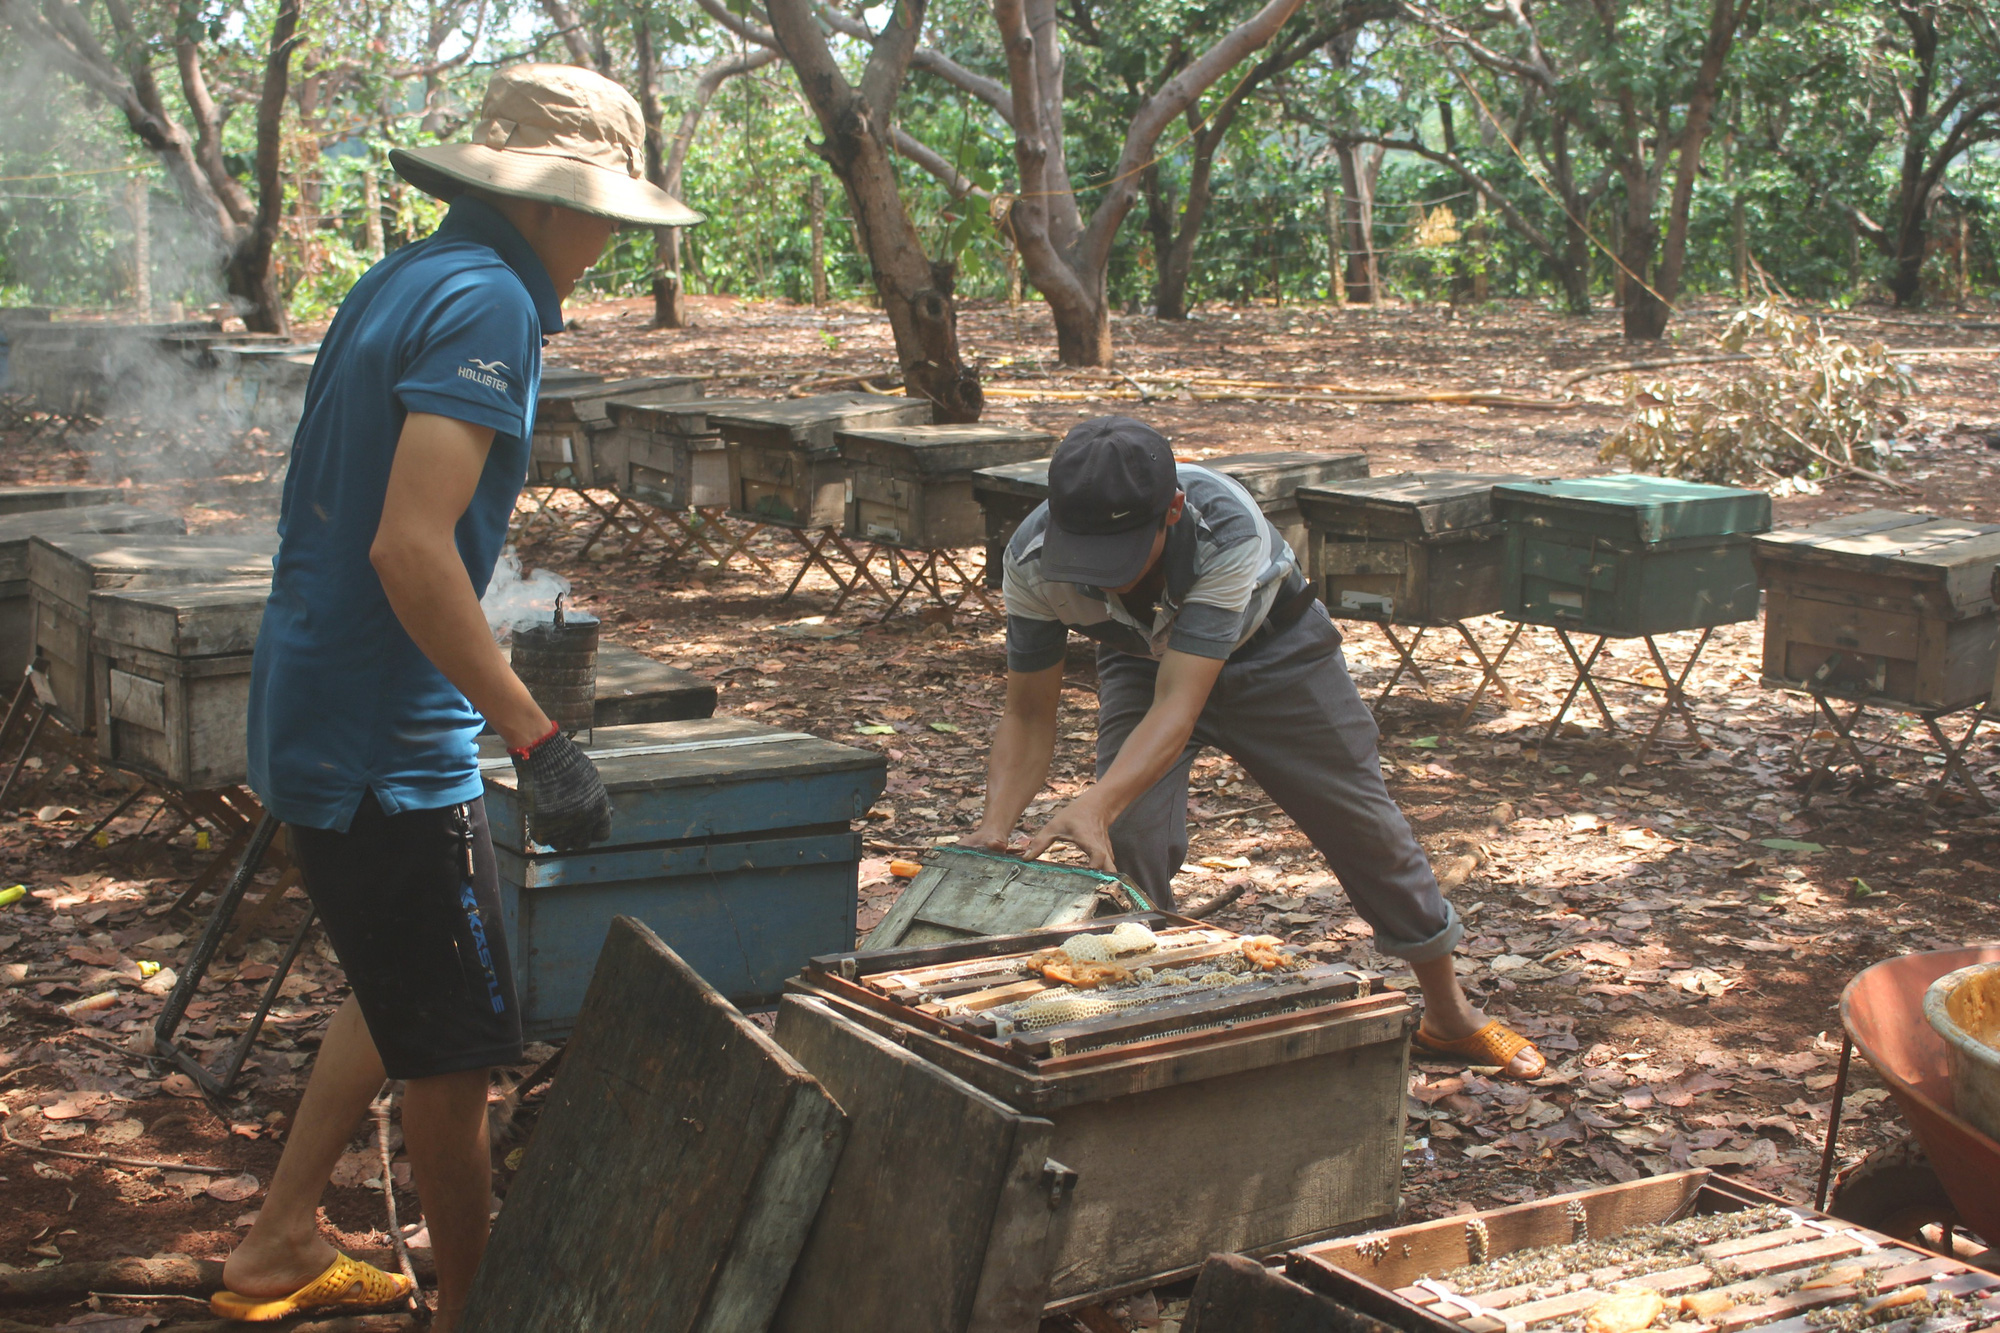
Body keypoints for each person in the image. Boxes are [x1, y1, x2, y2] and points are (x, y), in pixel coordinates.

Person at [214, 64, 699, 1328]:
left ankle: (277, 1243)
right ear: (546, 205)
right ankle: (482, 1302)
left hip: (320, 694)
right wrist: (537, 736)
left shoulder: (405, 276)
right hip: (384, 732)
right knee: (460, 1052)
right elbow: (410, 548)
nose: (608, 242)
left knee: (408, 986)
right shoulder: (488, 304)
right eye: (602, 214)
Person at [962, 417, 1544, 1080]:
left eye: (1121, 557)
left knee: (1364, 828)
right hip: (1141, 660)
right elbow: (1028, 711)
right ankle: (1120, 1022)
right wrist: (996, 824)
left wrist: (1094, 799)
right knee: (1129, 838)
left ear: (1172, 510)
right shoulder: (1031, 556)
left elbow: (1182, 706)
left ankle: (1449, 1013)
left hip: (1277, 655)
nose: (1108, 581)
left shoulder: (1224, 524)